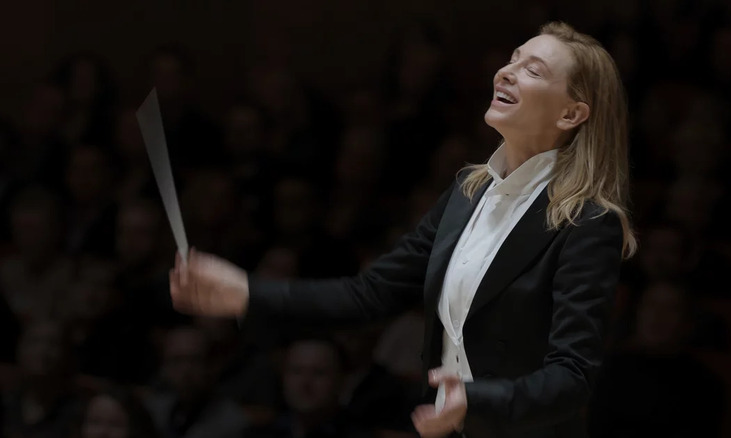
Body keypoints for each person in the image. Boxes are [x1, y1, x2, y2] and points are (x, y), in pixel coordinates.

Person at [170, 21, 637, 438]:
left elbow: (572, 377)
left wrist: (475, 400)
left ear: (571, 115)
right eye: (512, 59)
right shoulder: (467, 192)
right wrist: (248, 293)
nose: (506, 72)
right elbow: (370, 294)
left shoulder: (588, 222)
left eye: (532, 70)